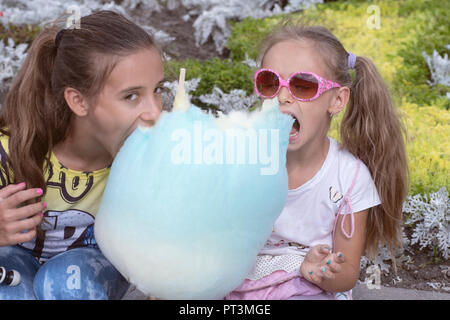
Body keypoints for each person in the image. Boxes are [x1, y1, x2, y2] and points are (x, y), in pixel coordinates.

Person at [225, 24, 408, 300]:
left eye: (303, 86)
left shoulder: (348, 177)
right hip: (243, 272)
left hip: (308, 286)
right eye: (270, 82)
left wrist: (320, 270)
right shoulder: (242, 159)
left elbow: (345, 276)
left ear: (336, 100)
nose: (282, 96)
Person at [0, 10, 164, 300]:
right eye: (132, 96)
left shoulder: (154, 157)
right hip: (12, 264)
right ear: (78, 100)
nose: (154, 111)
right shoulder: (11, 152)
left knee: (68, 282)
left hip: (91, 270)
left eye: (158, 90)